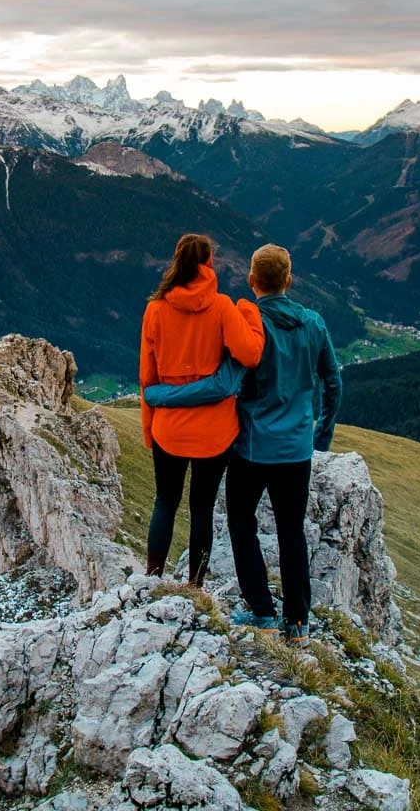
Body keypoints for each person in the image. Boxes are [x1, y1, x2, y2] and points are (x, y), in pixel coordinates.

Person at [145, 243, 342, 646]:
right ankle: (298, 622)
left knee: (240, 524)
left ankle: (262, 611)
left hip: (251, 447)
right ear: (289, 280)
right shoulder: (315, 324)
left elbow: (228, 380)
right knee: (291, 530)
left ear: (252, 281)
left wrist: (159, 397)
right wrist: (320, 436)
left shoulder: (248, 323)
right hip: (297, 450)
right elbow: (333, 382)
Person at [139, 233, 265, 587]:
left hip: (170, 429)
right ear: (209, 263)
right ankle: (195, 584)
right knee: (202, 509)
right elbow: (251, 354)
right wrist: (251, 315)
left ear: (176, 262)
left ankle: (152, 576)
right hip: (215, 432)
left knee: (165, 501)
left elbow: (147, 378)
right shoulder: (224, 307)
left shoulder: (156, 309)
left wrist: (150, 429)